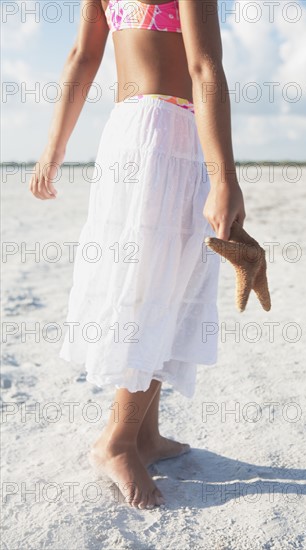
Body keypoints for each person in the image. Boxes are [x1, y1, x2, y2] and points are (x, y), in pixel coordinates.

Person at [29, 0, 245, 510]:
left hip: (133, 132)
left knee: (163, 276)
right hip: (164, 134)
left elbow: (82, 56)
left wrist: (55, 148)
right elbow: (203, 67)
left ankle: (145, 435)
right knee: (157, 283)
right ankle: (118, 441)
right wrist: (225, 178)